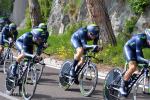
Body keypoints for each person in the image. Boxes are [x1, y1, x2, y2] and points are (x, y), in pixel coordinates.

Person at [120, 28, 150, 96]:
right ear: (147, 38)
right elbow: (139, 57)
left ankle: (129, 80)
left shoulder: (148, 40)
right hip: (129, 48)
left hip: (137, 49)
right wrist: (147, 61)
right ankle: (122, 86)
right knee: (133, 66)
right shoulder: (140, 39)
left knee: (142, 67)